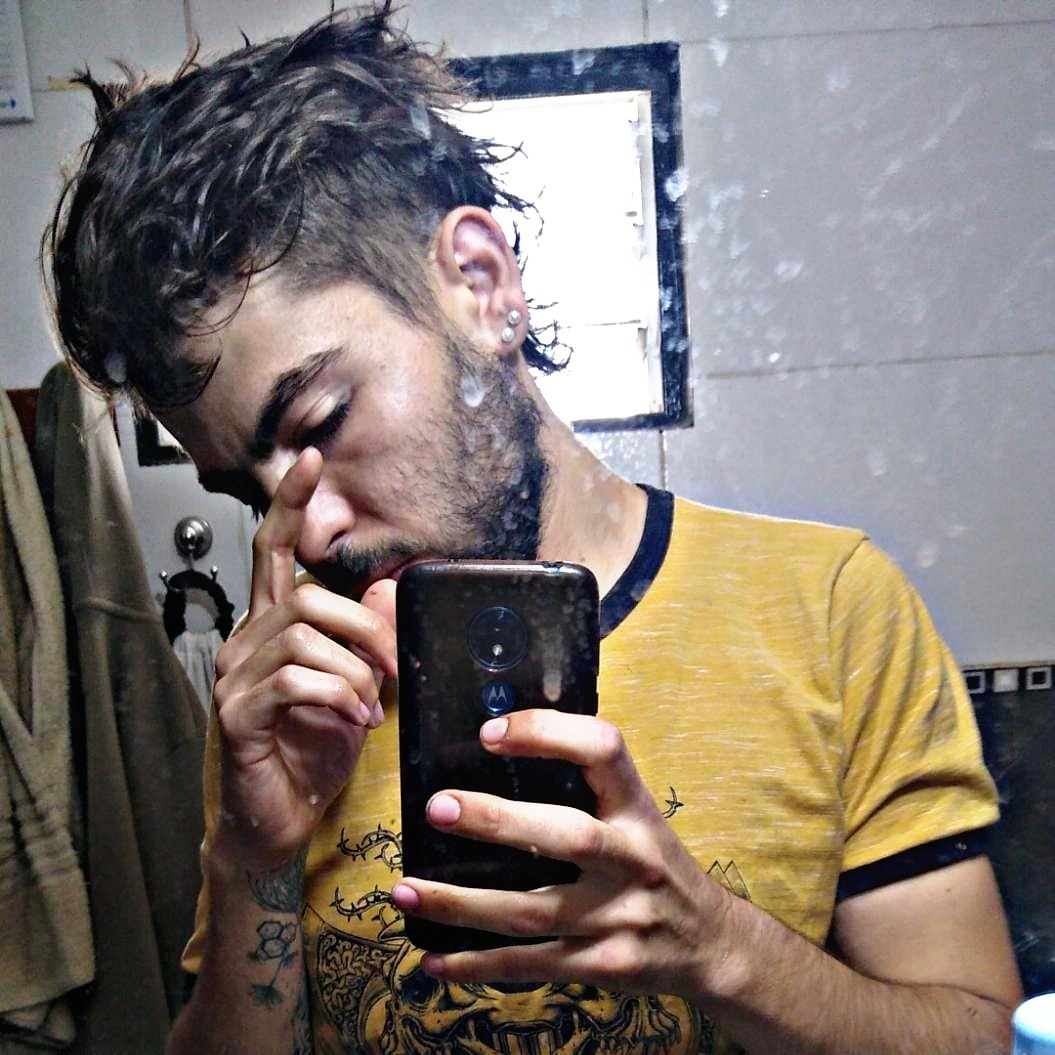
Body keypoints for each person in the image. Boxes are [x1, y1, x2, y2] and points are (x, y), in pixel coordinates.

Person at [44, 5, 1022, 1053]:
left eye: (321, 420)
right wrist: (253, 861)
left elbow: (980, 1036)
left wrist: (718, 948)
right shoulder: (292, 691)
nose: (311, 534)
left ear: (479, 284)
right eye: (251, 488)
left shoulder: (828, 608)